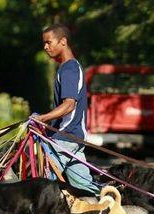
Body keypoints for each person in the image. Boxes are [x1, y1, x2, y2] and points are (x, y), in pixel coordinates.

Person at [33, 23, 101, 196]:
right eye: (44, 43)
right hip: (73, 137)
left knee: (40, 189)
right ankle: (109, 210)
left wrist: (43, 118)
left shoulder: (69, 69)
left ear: (63, 41)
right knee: (87, 190)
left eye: (49, 42)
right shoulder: (68, 67)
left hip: (65, 138)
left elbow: (68, 105)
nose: (45, 47)